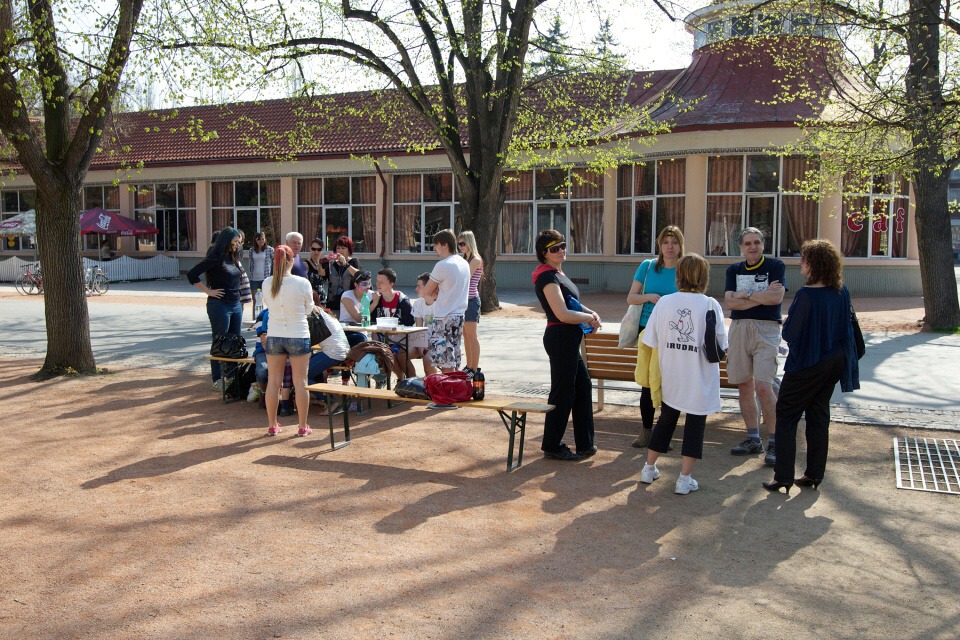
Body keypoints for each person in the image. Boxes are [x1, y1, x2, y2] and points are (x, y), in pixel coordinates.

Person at [763, 240, 860, 493]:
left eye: (804, 259)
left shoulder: (807, 295)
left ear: (814, 264)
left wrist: (788, 323)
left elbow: (790, 333)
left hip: (808, 362)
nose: (800, 263)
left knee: (786, 415)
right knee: (818, 416)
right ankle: (814, 474)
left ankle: (783, 476)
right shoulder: (841, 290)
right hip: (835, 361)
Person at [639, 253, 727, 494]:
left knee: (665, 421)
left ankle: (648, 468)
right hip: (700, 378)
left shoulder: (664, 303)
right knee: (695, 426)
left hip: (672, 375)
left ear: (678, 275)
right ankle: (684, 479)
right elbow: (722, 344)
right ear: (704, 277)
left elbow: (650, 339)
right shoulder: (711, 304)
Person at [532, 230, 602, 461]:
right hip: (560, 338)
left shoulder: (558, 274)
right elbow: (562, 313)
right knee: (563, 392)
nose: (561, 250)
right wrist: (589, 318)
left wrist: (591, 314)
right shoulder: (546, 276)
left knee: (582, 387)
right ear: (544, 254)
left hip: (569, 339)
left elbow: (573, 304)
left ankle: (585, 444)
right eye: (554, 248)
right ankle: (552, 445)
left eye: (562, 245)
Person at [724, 226, 787, 466]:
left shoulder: (775, 266)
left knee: (763, 386)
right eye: (748, 243)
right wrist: (760, 295)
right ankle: (753, 438)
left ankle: (775, 441)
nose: (753, 247)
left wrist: (745, 294)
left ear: (762, 245)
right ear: (741, 247)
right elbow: (730, 304)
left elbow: (776, 298)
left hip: (767, 330)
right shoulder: (734, 270)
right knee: (744, 386)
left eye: (757, 242)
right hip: (739, 329)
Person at [627, 225, 684, 449]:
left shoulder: (685, 268)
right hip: (648, 331)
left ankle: (663, 434)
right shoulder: (648, 266)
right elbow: (631, 297)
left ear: (681, 245)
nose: (670, 247)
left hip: (675, 334)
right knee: (648, 383)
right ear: (659, 244)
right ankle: (646, 431)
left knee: (670, 385)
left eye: (674, 242)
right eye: (665, 242)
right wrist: (649, 296)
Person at [262, 244, 315, 437]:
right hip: (298, 334)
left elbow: (268, 305)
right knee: (300, 382)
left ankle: (272, 425)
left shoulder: (267, 283)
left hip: (275, 334)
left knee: (273, 382)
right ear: (292, 261)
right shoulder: (302, 283)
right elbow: (309, 309)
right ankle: (302, 426)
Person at [187, 226, 244, 390]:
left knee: (234, 341)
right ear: (227, 241)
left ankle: (232, 376)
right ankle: (217, 378)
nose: (238, 245)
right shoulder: (216, 258)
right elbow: (192, 274)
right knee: (220, 341)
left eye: (239, 242)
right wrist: (208, 291)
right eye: (235, 241)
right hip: (220, 305)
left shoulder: (233, 257)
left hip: (236, 303)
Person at [420, 229, 470, 375]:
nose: (434, 249)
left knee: (445, 361)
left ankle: (449, 387)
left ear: (444, 245)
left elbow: (426, 291)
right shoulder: (464, 263)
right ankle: (455, 385)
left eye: (436, 245)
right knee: (454, 357)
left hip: (444, 317)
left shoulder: (443, 265)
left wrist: (436, 290)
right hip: (459, 315)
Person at [251, 307, 296, 415]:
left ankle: (285, 400)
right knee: (263, 371)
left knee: (288, 366)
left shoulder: (290, 311)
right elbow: (263, 339)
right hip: (263, 351)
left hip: (285, 350)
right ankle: (265, 393)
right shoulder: (264, 314)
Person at [372, 268, 416, 376]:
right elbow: (368, 321)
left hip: (403, 339)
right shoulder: (376, 300)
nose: (378, 284)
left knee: (399, 353)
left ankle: (412, 380)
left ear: (391, 284)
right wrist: (374, 303)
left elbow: (410, 323)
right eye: (377, 281)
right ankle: (400, 379)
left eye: (382, 282)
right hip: (383, 339)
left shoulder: (403, 301)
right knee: (387, 352)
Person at [307, 307, 351, 406]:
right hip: (340, 352)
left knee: (300, 377)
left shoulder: (314, 314)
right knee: (312, 366)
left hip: (334, 353)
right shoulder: (324, 314)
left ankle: (331, 401)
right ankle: (320, 397)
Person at [457, 231, 483, 374]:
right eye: (459, 244)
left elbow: (465, 278)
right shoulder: (464, 258)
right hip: (463, 301)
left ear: (469, 242)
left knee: (472, 336)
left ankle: (474, 367)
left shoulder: (475, 260)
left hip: (471, 300)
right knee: (466, 336)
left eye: (463, 243)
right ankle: (469, 366)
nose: (460, 247)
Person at [323, 236, 361, 315]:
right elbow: (322, 277)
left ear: (349, 250)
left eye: (343, 248)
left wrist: (346, 264)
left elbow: (358, 275)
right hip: (333, 304)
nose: (340, 251)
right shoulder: (331, 263)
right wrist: (323, 261)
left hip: (349, 303)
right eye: (338, 248)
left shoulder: (354, 261)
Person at [409, 272, 438, 376]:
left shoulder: (441, 303)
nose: (416, 289)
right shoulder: (418, 303)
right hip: (424, 341)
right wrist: (420, 344)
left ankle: (433, 383)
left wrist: (427, 344)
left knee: (427, 362)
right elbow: (419, 328)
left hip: (439, 343)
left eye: (419, 286)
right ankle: (410, 380)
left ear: (428, 287)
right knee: (401, 353)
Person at [248, 231, 274, 316]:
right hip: (254, 278)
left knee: (267, 299)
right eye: (259, 239)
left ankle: (267, 318)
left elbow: (275, 261)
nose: (261, 241)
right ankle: (255, 319)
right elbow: (250, 262)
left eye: (262, 239)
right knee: (255, 300)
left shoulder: (269, 249)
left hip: (265, 278)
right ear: (255, 240)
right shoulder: (251, 250)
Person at [304, 237, 327, 306]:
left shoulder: (324, 264)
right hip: (310, 299)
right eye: (313, 249)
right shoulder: (306, 264)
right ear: (310, 249)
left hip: (322, 299)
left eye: (319, 249)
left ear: (322, 250)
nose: (316, 252)